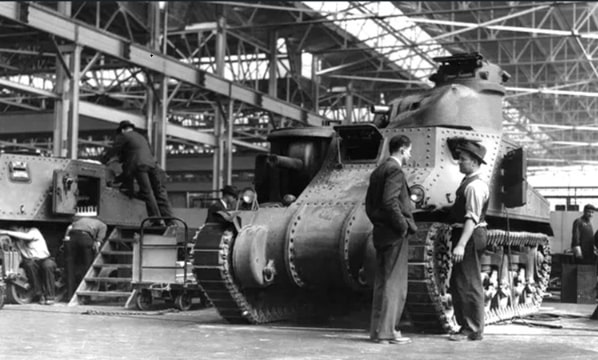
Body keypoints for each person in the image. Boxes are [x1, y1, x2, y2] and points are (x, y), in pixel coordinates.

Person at [365, 134, 417, 345]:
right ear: (403, 150)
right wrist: (402, 225)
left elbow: (369, 205)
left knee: (382, 283)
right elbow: (389, 202)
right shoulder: (395, 170)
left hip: (381, 232)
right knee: (395, 284)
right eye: (410, 150)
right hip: (394, 234)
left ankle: (377, 331)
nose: (410, 155)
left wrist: (379, 223)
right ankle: (388, 332)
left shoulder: (378, 171)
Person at [446, 139, 489, 341]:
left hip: (469, 236)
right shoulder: (468, 182)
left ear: (473, 161)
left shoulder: (475, 187)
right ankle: (466, 326)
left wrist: (461, 245)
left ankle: (473, 330)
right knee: (461, 282)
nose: (459, 162)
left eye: (462, 159)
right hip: (467, 235)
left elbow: (471, 217)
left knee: (469, 282)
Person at [105, 120, 174, 225]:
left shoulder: (124, 136)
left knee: (147, 192)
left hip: (139, 165)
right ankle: (170, 222)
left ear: (123, 130)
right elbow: (143, 152)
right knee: (159, 193)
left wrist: (102, 161)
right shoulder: (142, 137)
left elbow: (113, 151)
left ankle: (156, 220)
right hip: (152, 165)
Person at [0, 225, 56, 305]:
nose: (14, 232)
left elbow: (28, 237)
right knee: (29, 265)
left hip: (45, 258)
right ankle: (38, 293)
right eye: (12, 230)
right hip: (31, 260)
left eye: (15, 229)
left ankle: (50, 296)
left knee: (48, 265)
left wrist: (6, 232)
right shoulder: (17, 241)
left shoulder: (34, 231)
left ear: (22, 228)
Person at [64, 215, 108, 298]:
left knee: (70, 268)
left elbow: (69, 229)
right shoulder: (103, 225)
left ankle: (70, 295)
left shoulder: (81, 220)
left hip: (71, 239)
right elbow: (98, 242)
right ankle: (85, 295)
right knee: (87, 268)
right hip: (85, 238)